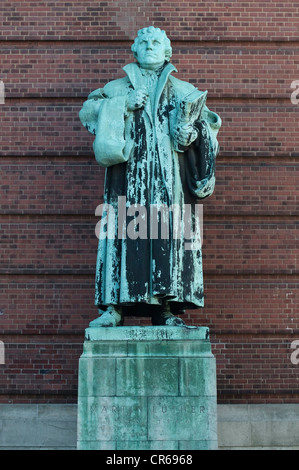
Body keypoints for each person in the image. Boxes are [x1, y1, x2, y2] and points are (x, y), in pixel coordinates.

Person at [79, 26, 221, 327]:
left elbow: (209, 129)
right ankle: (114, 308)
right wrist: (123, 105)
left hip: (170, 182)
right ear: (135, 51)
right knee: (122, 236)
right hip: (127, 179)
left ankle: (166, 310)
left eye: (156, 42)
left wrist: (192, 134)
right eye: (143, 42)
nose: (149, 46)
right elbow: (88, 112)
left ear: (167, 51)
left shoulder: (184, 90)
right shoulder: (118, 88)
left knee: (168, 238)